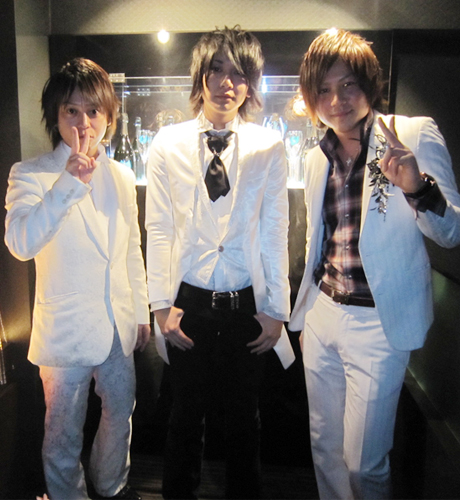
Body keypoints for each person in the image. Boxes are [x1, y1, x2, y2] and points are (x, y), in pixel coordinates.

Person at [289, 28, 460, 499]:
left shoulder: (411, 133)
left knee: (364, 464)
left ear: (369, 82)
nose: (337, 100)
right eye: (324, 89)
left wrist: (417, 188)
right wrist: (308, 315)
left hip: (378, 323)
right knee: (324, 446)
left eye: (347, 84)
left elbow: (452, 232)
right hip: (324, 313)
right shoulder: (316, 158)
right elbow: (319, 243)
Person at [145, 26, 295, 499]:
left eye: (239, 73)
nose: (226, 82)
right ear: (200, 76)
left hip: (246, 304)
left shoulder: (269, 147)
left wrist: (277, 309)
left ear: (250, 84)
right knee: (183, 421)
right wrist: (160, 306)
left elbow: (275, 230)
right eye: (216, 69)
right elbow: (159, 228)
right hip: (188, 302)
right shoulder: (166, 143)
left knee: (245, 424)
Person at [4, 58, 150, 500]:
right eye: (72, 110)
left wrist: (140, 311)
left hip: (117, 325)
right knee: (62, 429)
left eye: (93, 111)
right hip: (66, 330)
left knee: (120, 412)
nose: (84, 122)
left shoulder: (122, 175)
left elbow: (131, 247)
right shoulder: (30, 174)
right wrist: (67, 183)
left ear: (109, 116)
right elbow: (20, 243)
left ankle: (111, 483)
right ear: (55, 115)